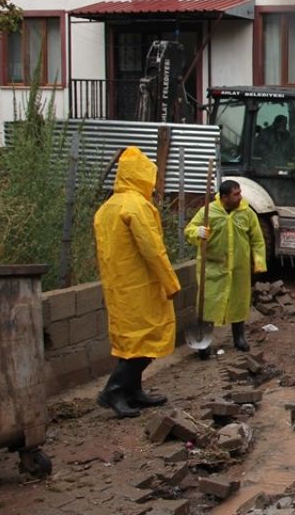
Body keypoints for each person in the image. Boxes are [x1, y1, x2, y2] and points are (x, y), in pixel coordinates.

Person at [92, 147, 181, 418]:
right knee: (146, 339)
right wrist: (170, 281)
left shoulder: (107, 208)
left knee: (131, 341)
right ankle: (114, 391)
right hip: (140, 285)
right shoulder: (136, 206)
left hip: (119, 286)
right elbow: (152, 249)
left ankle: (134, 391)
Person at [185, 179, 267, 356]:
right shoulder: (208, 212)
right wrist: (197, 232)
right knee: (209, 304)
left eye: (240, 193)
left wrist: (259, 261)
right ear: (224, 197)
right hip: (213, 268)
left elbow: (257, 240)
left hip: (239, 268)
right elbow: (189, 229)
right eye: (236, 194)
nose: (240, 197)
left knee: (238, 302)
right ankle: (204, 343)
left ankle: (239, 338)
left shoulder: (247, 213)